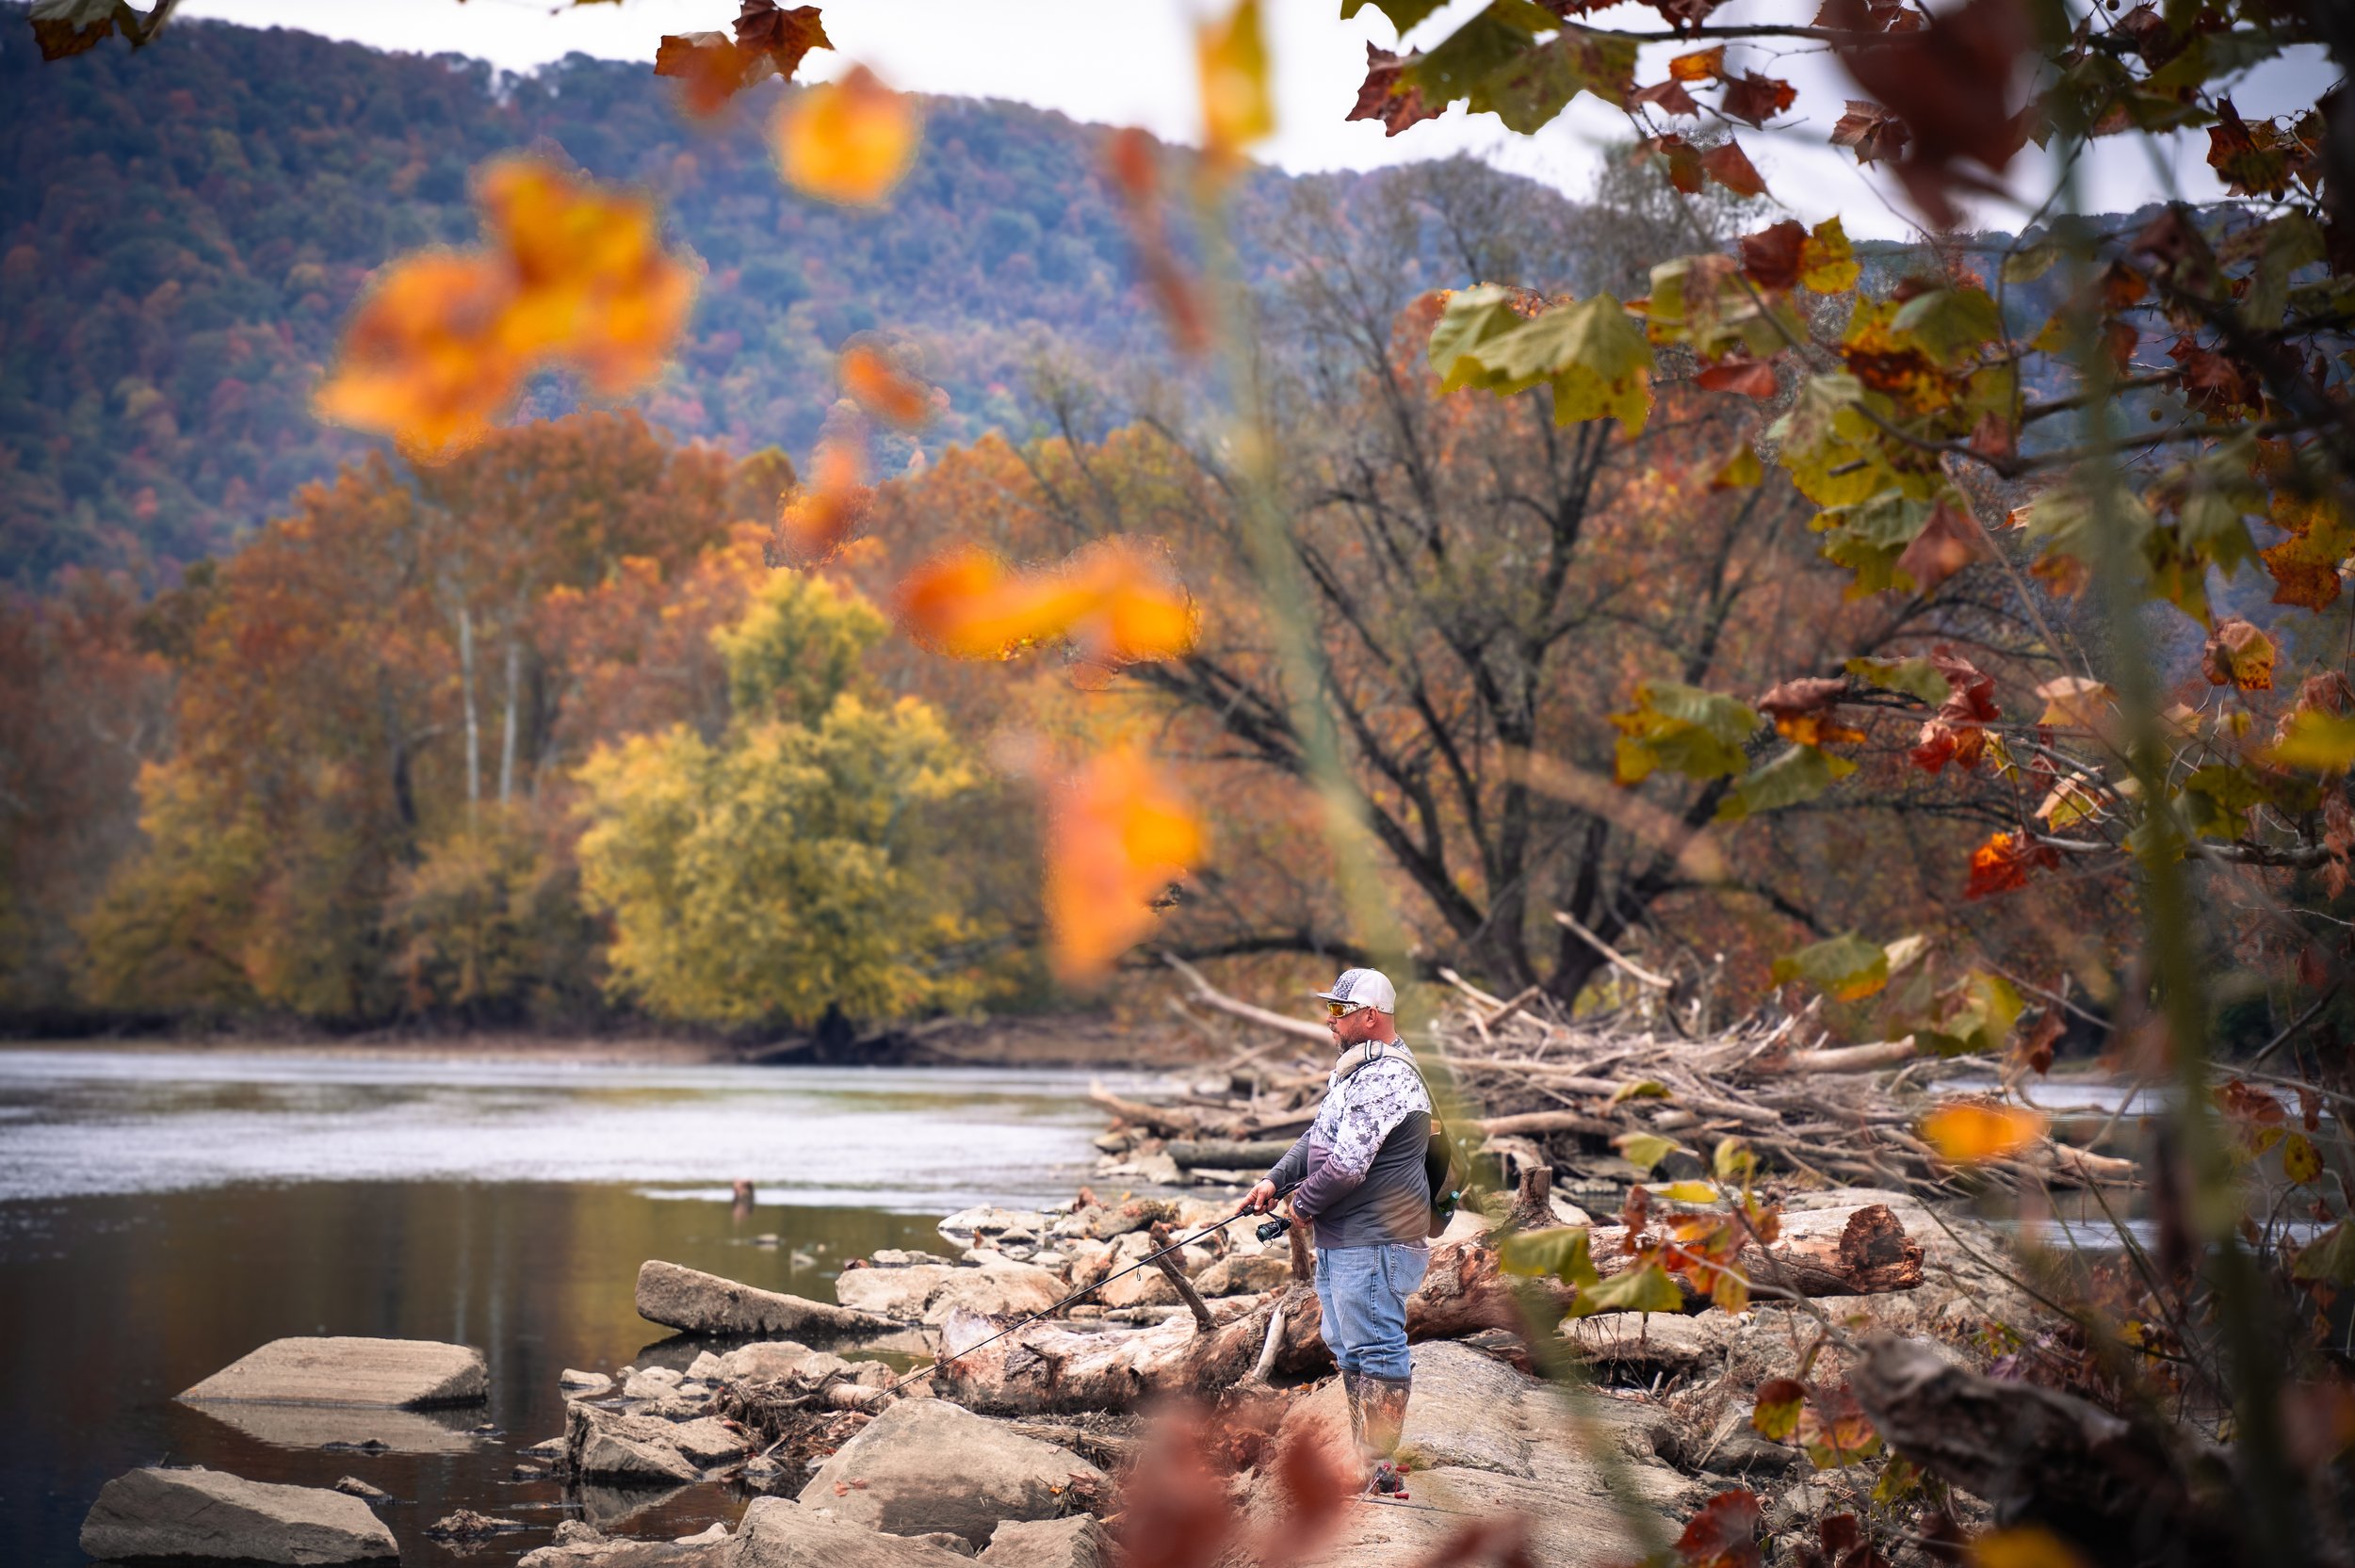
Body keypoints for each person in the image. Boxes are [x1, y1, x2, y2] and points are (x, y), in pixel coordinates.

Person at [1241, 966, 1431, 1496]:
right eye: (1329, 1011)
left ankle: (1380, 1469)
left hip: (1376, 1239)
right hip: (1348, 1238)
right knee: (1349, 1349)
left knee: (1376, 1349)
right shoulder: (1355, 1070)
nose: (1330, 1022)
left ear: (1371, 1016)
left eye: (1338, 1012)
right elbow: (1318, 1137)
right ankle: (1367, 1464)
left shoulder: (1387, 1077)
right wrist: (1275, 1180)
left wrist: (1299, 1207)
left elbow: (1348, 1166)